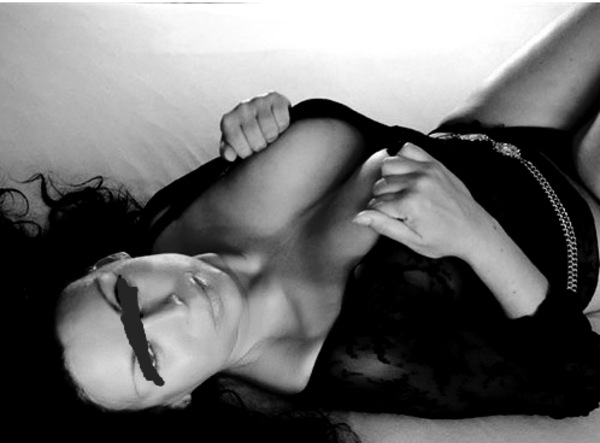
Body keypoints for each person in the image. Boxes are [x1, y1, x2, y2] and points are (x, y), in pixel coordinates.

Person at [47, 4, 600, 418]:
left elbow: (371, 142)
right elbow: (579, 380)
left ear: (113, 262)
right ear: (176, 400)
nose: (175, 309)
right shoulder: (360, 359)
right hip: (579, 235)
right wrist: (476, 234)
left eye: (127, 298)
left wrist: (268, 120)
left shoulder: (169, 221)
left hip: (484, 134)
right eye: (151, 359)